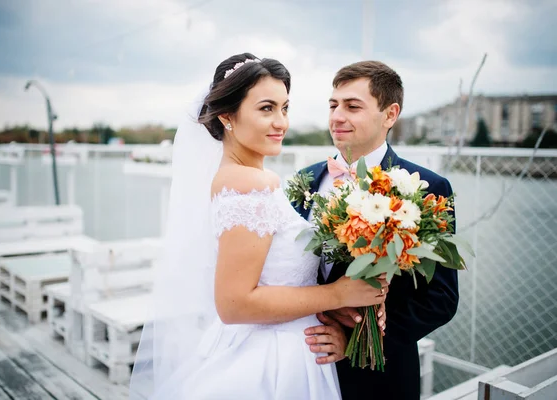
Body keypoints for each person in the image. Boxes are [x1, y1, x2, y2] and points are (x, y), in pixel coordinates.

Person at [129, 53, 389, 399]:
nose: (280, 122)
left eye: (284, 108)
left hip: (290, 346)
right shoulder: (249, 183)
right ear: (227, 116)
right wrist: (337, 293)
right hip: (273, 362)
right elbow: (234, 303)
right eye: (266, 108)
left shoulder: (248, 178)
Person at [295, 60, 460, 400]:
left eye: (353, 106)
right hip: (301, 363)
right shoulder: (307, 180)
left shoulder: (428, 187)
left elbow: (440, 300)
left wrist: (357, 340)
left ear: (390, 114)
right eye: (333, 105)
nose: (337, 117)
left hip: (376, 377)